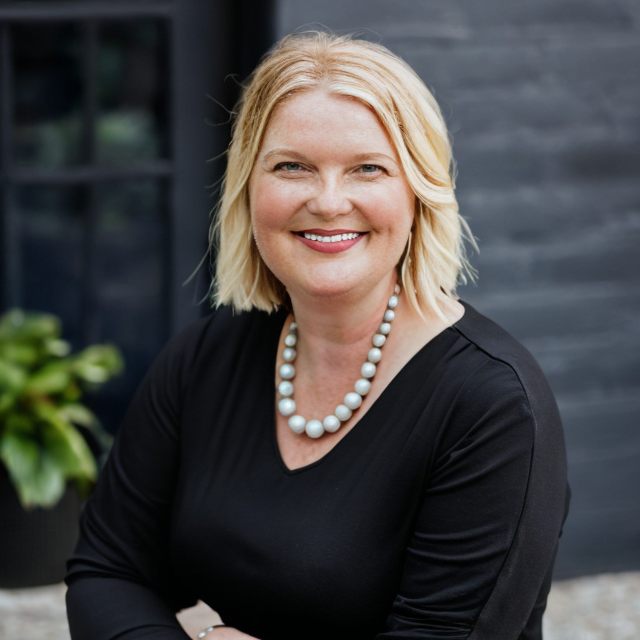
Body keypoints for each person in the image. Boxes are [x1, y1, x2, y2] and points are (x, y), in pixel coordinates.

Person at [65, 32, 570, 640]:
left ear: (418, 193)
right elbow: (109, 570)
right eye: (292, 167)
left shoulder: (493, 405)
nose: (329, 201)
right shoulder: (206, 358)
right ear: (249, 187)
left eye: (368, 169)